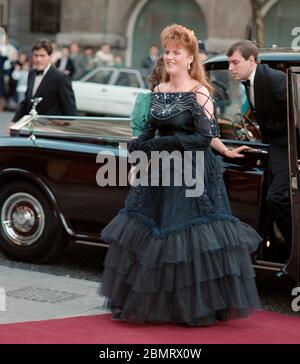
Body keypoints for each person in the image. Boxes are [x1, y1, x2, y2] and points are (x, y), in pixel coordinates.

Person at [99, 24, 261, 326]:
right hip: (160, 173)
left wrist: (167, 144)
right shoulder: (159, 92)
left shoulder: (200, 93)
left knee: (188, 238)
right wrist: (135, 146)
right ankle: (159, 303)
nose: (170, 56)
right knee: (153, 235)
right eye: (167, 51)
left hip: (193, 174)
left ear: (190, 59)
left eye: (177, 52)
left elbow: (203, 137)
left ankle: (195, 306)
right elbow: (148, 131)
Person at [227, 41, 291, 275]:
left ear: (251, 61)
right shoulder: (249, 82)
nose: (230, 68)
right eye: (229, 63)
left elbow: (298, 113)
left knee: (277, 198)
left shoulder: (274, 79)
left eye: (235, 62)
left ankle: (295, 255)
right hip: (272, 146)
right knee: (266, 200)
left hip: (287, 146)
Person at [12, 38, 77, 122]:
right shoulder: (31, 73)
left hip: (50, 131)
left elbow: (70, 111)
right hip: (31, 128)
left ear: (50, 56)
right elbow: (26, 102)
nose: (38, 59)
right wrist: (13, 121)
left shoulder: (60, 78)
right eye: (36, 55)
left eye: (42, 56)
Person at [130, 55, 164, 137]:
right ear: (158, 80)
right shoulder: (145, 101)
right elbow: (136, 136)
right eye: (166, 80)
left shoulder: (190, 101)